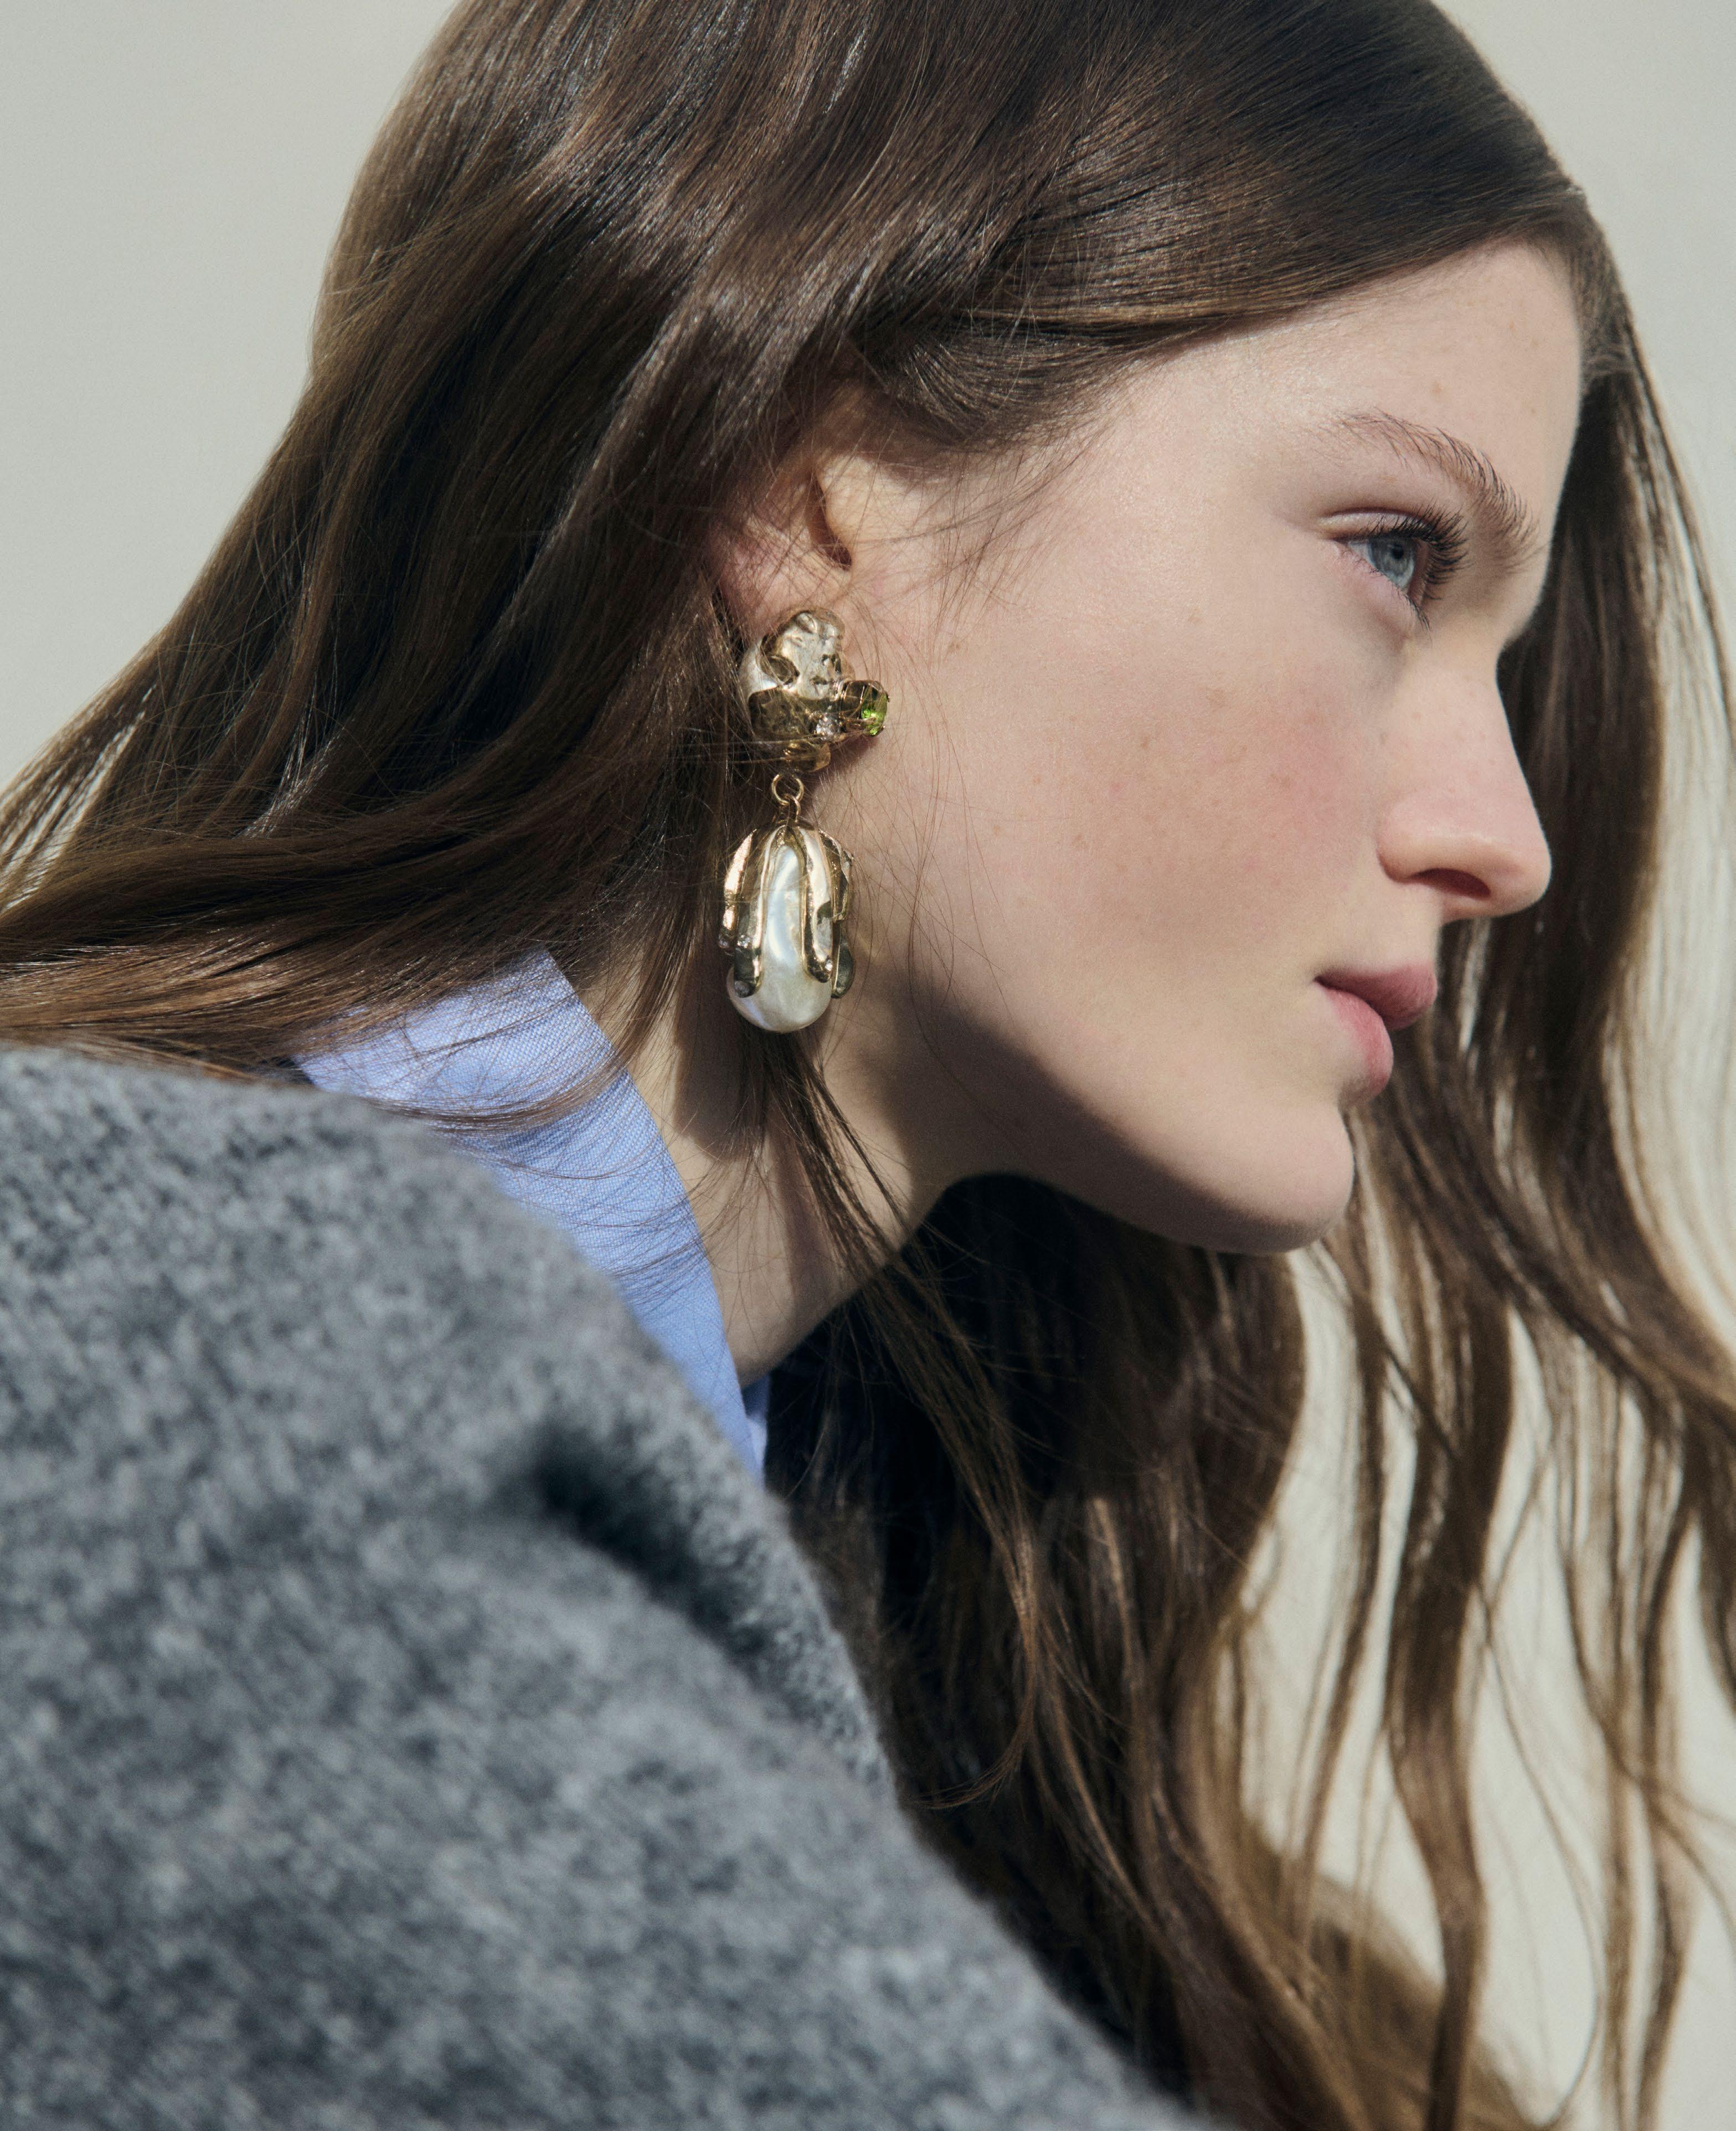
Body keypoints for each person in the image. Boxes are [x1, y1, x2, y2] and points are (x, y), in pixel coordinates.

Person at [0, 0, 1729, 2125]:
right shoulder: (184, 1386)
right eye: (1395, 555)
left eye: (1503, 660)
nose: (1507, 838)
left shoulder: (882, 1656)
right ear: (803, 489)